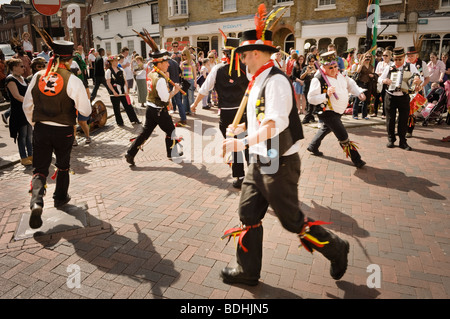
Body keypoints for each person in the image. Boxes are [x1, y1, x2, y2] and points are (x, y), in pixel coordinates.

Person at [220, 23, 349, 286]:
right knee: (248, 213)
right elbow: (261, 119)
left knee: (292, 221)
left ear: (256, 53)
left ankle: (337, 248)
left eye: (243, 54)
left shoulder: (276, 80)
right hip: (259, 160)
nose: (240, 60)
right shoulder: (256, 80)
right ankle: (247, 271)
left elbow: (273, 126)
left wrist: (241, 142)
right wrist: (243, 127)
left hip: (278, 163)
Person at [23, 36, 91, 229]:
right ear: (69, 59)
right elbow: (85, 111)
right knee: (62, 165)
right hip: (64, 131)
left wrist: (36, 124)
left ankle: (37, 200)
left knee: (40, 168)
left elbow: (27, 105)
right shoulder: (73, 80)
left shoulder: (37, 76)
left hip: (42, 129)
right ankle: (60, 197)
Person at [191, 35, 250, 189]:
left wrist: (195, 104)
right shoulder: (247, 69)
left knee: (233, 145)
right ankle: (253, 174)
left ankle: (240, 176)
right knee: (248, 143)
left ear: (225, 54)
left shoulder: (218, 69)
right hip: (244, 112)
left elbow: (204, 89)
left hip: (227, 114)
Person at [125, 38, 183, 165]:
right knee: (171, 130)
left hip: (150, 108)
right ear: (160, 63)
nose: (168, 64)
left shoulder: (151, 73)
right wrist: (175, 90)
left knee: (145, 133)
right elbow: (165, 98)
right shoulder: (160, 79)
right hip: (159, 110)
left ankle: (130, 153)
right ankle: (171, 153)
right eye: (166, 62)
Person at [306, 51, 367, 168]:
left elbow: (351, 84)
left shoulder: (342, 75)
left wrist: (358, 92)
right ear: (323, 67)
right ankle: (357, 159)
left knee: (326, 128)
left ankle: (313, 146)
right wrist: (326, 95)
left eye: (335, 67)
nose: (334, 70)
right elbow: (311, 99)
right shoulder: (318, 79)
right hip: (327, 111)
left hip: (339, 110)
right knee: (343, 136)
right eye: (330, 68)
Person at [378, 47, 422, 151]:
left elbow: (420, 77)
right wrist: (385, 80)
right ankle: (391, 139)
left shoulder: (410, 66)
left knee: (403, 120)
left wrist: (417, 80)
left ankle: (403, 141)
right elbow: (379, 78)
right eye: (396, 59)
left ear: (404, 57)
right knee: (390, 119)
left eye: (400, 59)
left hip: (404, 96)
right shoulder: (389, 67)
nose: (397, 62)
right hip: (390, 96)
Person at [5, 58, 32, 166]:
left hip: (27, 109)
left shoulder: (23, 79)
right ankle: (23, 157)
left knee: (30, 134)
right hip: (19, 111)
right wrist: (29, 101)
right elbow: (16, 96)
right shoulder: (10, 79)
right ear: (14, 67)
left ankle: (31, 154)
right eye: (21, 66)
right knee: (22, 135)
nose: (24, 68)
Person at [105, 55, 140, 126]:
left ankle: (134, 119)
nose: (116, 62)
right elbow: (108, 83)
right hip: (114, 91)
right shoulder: (109, 71)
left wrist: (126, 90)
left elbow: (125, 81)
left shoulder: (121, 70)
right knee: (116, 107)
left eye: (117, 60)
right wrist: (114, 91)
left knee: (128, 105)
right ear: (111, 62)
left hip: (122, 91)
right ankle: (120, 122)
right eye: (115, 61)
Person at [406, 46, 430, 138]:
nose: (410, 58)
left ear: (416, 55)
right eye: (408, 56)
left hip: (417, 91)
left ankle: (409, 130)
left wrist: (421, 85)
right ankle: (402, 129)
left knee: (413, 112)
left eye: (412, 56)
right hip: (406, 90)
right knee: (404, 111)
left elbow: (427, 78)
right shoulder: (405, 64)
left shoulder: (422, 64)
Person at [352, 52, 377, 120]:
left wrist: (372, 76)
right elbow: (357, 71)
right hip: (360, 83)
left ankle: (364, 115)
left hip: (368, 84)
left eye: (369, 57)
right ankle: (355, 114)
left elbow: (373, 74)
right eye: (366, 57)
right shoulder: (361, 65)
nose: (368, 58)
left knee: (366, 100)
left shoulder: (371, 66)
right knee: (357, 99)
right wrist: (362, 63)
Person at [373, 49, 392, 119]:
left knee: (385, 98)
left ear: (390, 56)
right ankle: (375, 112)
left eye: (386, 55)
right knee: (376, 97)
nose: (384, 57)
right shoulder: (379, 63)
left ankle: (384, 113)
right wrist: (379, 74)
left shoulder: (391, 64)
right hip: (379, 82)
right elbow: (376, 72)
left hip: (386, 83)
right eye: (383, 55)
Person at [300, 53, 318, 124]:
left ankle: (308, 118)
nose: (311, 63)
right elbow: (301, 77)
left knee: (311, 103)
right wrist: (306, 72)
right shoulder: (305, 68)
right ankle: (310, 117)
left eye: (312, 61)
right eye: (310, 61)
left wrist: (315, 70)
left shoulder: (316, 68)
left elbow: (319, 76)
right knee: (308, 103)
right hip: (306, 87)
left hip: (313, 87)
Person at [180, 48, 197, 115]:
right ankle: (186, 110)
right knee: (184, 96)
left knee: (190, 97)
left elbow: (195, 72)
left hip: (190, 80)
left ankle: (192, 110)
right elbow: (180, 71)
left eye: (185, 55)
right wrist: (182, 64)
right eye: (183, 55)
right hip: (184, 81)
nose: (184, 56)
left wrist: (195, 81)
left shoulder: (192, 62)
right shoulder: (182, 62)